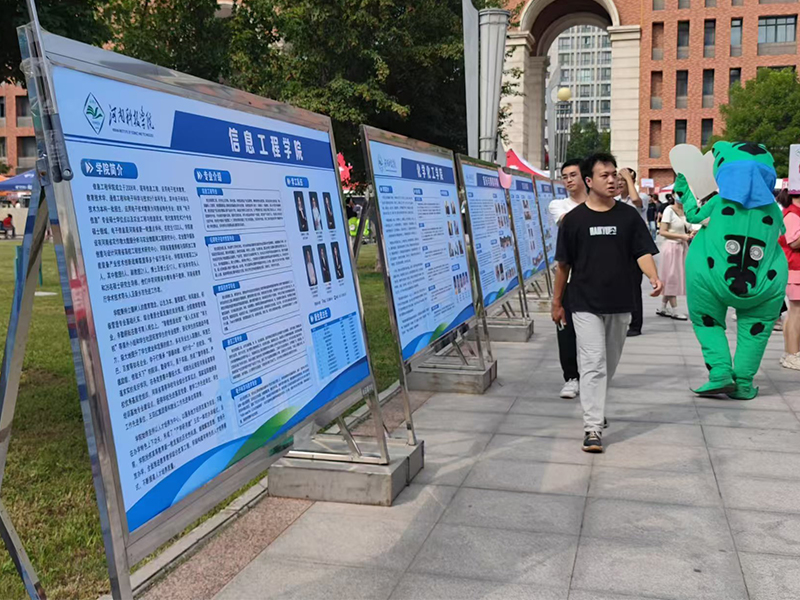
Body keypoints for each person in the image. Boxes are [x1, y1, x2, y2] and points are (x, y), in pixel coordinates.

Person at [552, 152, 662, 453]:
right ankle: (592, 427)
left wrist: (653, 276)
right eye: (605, 175)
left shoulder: (629, 217)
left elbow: (642, 252)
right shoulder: (573, 220)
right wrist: (557, 302)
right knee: (593, 362)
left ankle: (596, 406)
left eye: (614, 174)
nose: (613, 180)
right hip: (583, 302)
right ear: (589, 181)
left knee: (608, 364)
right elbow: (563, 266)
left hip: (621, 301)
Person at [548, 158, 588, 400]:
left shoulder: (603, 203)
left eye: (573, 175)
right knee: (566, 330)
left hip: (596, 278)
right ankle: (571, 378)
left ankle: (593, 377)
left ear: (586, 177)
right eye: (565, 177)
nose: (568, 180)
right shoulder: (558, 205)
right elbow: (569, 222)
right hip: (569, 276)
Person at [616, 168, 649, 337]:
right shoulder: (614, 199)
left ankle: (636, 325)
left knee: (634, 287)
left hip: (635, 249)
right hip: (617, 247)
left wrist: (628, 178)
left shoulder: (642, 196)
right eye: (619, 179)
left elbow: (636, 201)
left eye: (624, 179)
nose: (620, 182)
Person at [656, 196, 693, 320]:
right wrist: (681, 236)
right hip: (671, 247)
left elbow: (689, 227)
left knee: (674, 277)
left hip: (682, 247)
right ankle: (675, 310)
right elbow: (663, 231)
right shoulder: (669, 210)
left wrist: (691, 233)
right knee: (671, 277)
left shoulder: (686, 211)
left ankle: (663, 306)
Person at [778, 189, 800, 369]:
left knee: (793, 313)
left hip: (795, 269)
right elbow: (794, 242)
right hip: (795, 269)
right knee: (796, 313)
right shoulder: (792, 214)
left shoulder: (793, 213)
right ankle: (792, 354)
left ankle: (790, 353)